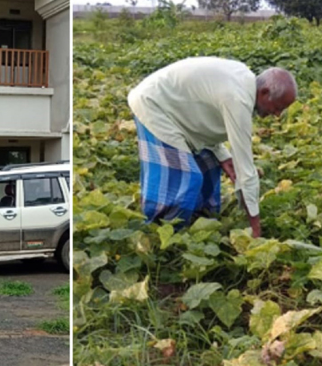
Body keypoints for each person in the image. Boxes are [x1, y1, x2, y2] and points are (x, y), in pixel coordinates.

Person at [127, 56, 297, 237]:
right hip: (154, 105)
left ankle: (199, 219)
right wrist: (255, 227)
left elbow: (206, 113)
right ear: (264, 93)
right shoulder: (237, 98)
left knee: (209, 164)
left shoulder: (243, 81)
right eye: (278, 107)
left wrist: (223, 155)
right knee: (185, 176)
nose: (278, 115)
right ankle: (163, 233)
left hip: (178, 111)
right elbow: (246, 171)